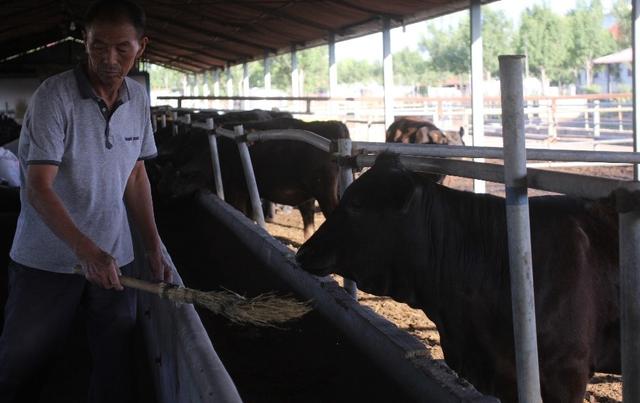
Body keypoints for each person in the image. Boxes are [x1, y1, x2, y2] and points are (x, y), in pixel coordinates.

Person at [0, 1, 171, 402]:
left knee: (114, 356)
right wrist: (86, 251)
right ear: (85, 42)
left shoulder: (138, 99)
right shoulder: (53, 97)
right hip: (47, 259)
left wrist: (152, 244)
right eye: (98, 46)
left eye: (122, 49)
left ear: (141, 46)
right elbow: (38, 186)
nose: (109, 60)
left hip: (115, 257)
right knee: (22, 359)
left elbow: (135, 173)